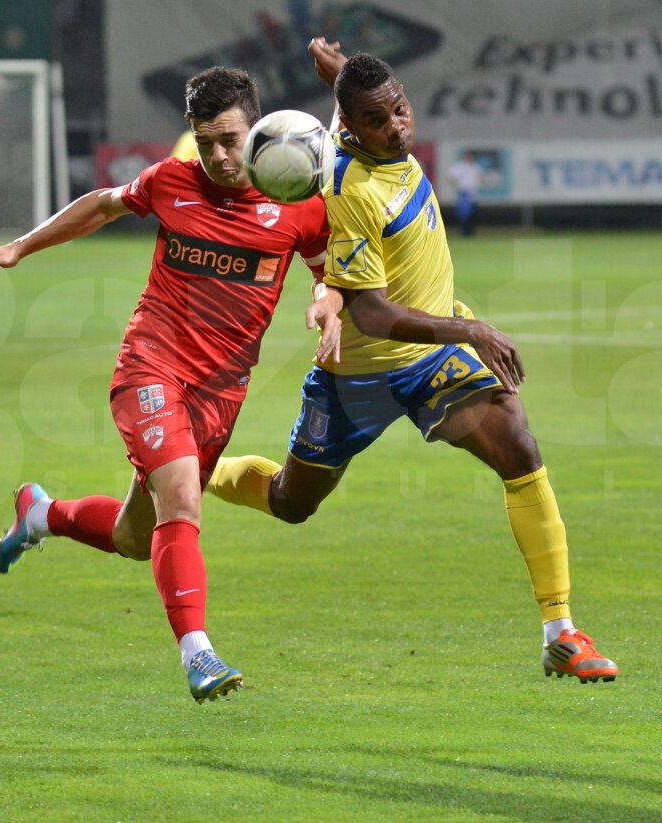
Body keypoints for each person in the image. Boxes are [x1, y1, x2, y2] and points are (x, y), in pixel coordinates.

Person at [206, 41, 619, 684]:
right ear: (352, 128)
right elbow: (370, 314)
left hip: (433, 361)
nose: (396, 126)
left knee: (520, 450)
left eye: (400, 109)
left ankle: (561, 633)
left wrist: (345, 75)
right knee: (291, 502)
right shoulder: (350, 191)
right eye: (378, 120)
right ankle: (195, 468)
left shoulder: (373, 124)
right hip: (360, 376)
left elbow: (366, 99)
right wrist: (473, 328)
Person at [0, 67, 338, 703]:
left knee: (135, 538)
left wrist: (327, 299)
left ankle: (42, 514)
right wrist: (19, 249)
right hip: (152, 364)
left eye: (229, 139)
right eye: (206, 141)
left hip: (221, 391)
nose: (219, 156)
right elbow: (101, 206)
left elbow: (325, 269)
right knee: (183, 502)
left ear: (256, 128)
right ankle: (198, 654)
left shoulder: (301, 201)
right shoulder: (173, 181)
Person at [449, 150, 481, 237]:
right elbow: (452, 177)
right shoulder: (460, 167)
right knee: (464, 214)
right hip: (464, 193)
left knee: (473, 213)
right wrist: (458, 185)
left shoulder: (475, 167)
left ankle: (471, 231)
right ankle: (463, 232)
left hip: (473, 193)